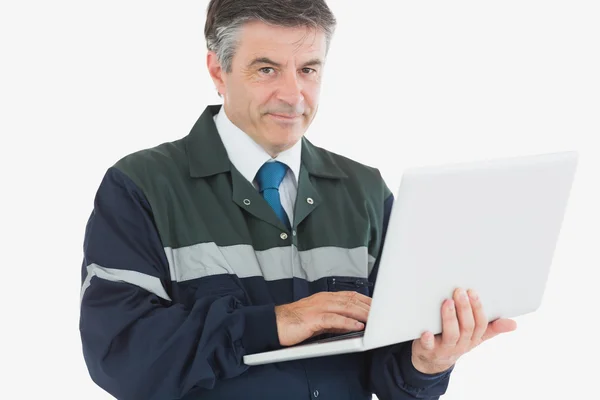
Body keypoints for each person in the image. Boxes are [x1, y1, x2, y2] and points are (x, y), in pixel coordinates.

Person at [78, 1, 517, 399]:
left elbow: (387, 369)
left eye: (308, 69)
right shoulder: (140, 187)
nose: (293, 95)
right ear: (217, 71)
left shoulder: (363, 190)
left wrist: (427, 363)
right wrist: (275, 323)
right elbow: (119, 355)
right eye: (266, 70)